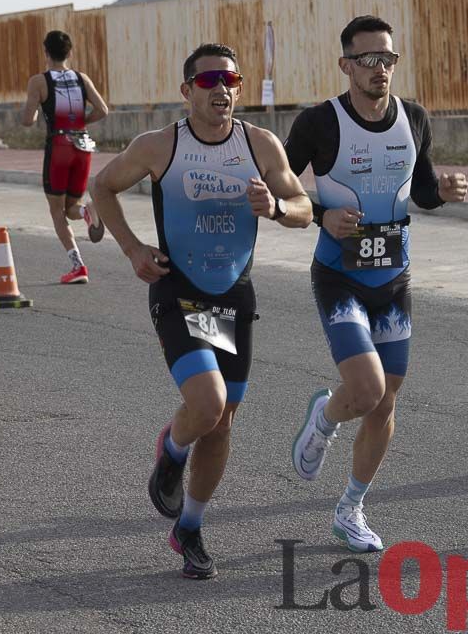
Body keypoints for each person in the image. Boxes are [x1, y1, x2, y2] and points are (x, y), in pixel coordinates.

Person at [91, 43, 312, 578]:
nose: (221, 89)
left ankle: (189, 526)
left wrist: (278, 208)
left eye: (230, 80)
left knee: (219, 425)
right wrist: (133, 249)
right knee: (207, 402)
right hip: (179, 290)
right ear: (187, 90)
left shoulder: (259, 145)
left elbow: (304, 208)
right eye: (208, 80)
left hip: (232, 296)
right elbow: (102, 185)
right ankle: (170, 448)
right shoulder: (160, 146)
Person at [286, 15, 468, 553]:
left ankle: (350, 509)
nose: (379, 69)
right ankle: (323, 418)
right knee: (364, 392)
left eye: (387, 59)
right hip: (339, 274)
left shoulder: (414, 118)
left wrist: (445, 190)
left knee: (386, 404)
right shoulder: (320, 123)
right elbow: (284, 187)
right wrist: (321, 214)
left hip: (394, 278)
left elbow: (424, 190)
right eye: (368, 60)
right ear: (346, 66)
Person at [21, 30, 110, 284]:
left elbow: (27, 120)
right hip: (82, 142)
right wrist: (82, 121)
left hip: (59, 144)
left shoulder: (39, 81)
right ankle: (87, 211)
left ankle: (78, 266)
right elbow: (103, 110)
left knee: (57, 211)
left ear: (46, 52)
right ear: (70, 53)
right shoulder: (82, 78)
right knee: (72, 207)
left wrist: (36, 112)